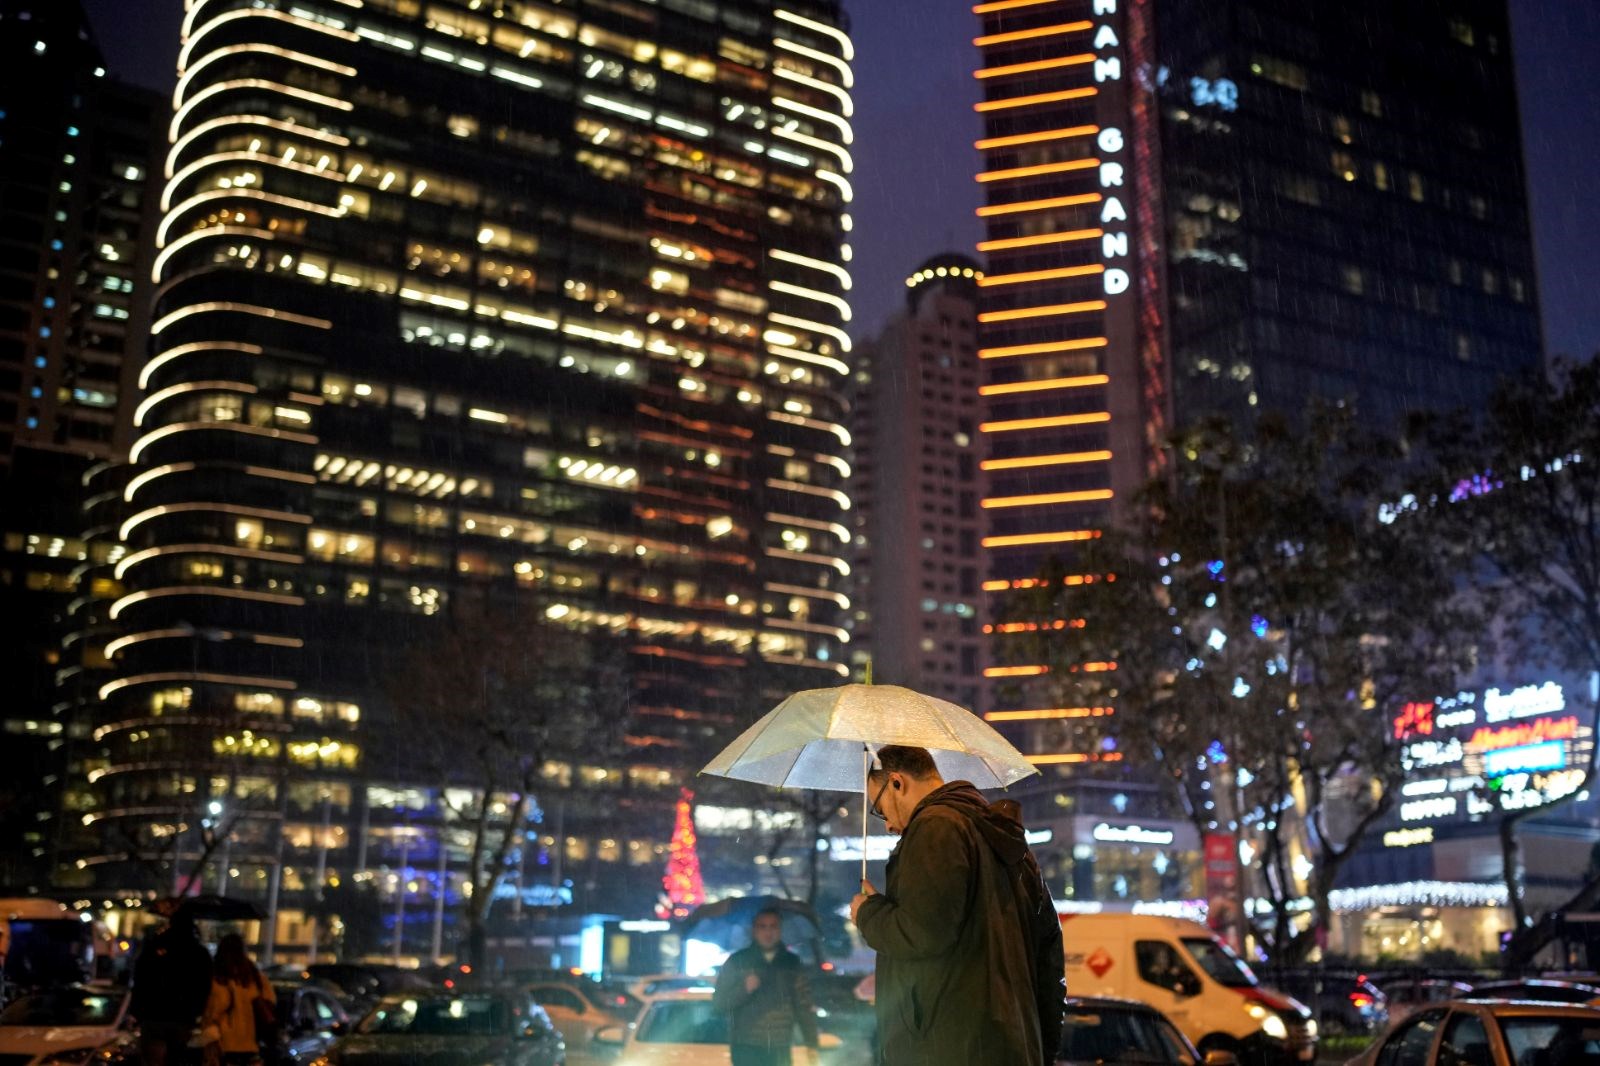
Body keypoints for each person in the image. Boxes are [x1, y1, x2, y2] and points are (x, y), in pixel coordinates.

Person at [850, 745, 1065, 1066]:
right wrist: (1039, 1046)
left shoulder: (936, 827)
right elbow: (1048, 954)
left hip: (948, 1045)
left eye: (880, 809)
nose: (889, 825)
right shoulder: (1006, 840)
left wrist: (867, 913)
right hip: (1012, 1044)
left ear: (897, 782)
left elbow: (921, 933)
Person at [711, 907, 821, 1066]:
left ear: (780, 929)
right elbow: (719, 1004)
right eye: (762, 926)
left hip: (779, 1046)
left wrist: (811, 1044)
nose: (768, 932)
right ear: (754, 930)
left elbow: (803, 1005)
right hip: (746, 1047)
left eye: (773, 926)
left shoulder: (791, 963)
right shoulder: (738, 961)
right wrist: (745, 989)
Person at [131, 912, 213, 1066]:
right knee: (177, 1057)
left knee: (153, 1059)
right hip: (182, 1016)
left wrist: (138, 1010)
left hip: (153, 1013)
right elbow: (204, 985)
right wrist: (197, 1011)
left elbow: (140, 978)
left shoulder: (155, 946)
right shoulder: (198, 952)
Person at [202, 934, 276, 1066]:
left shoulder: (218, 979)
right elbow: (270, 1003)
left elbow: (214, 1010)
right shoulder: (257, 978)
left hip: (225, 1044)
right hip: (252, 1044)